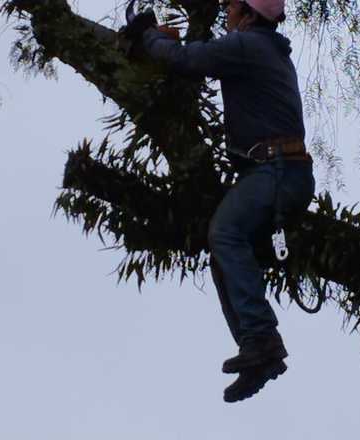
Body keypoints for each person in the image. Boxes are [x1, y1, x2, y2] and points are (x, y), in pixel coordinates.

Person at [135, 0, 316, 402]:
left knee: (226, 232)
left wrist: (147, 34)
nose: (228, 14)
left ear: (248, 14)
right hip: (278, 171)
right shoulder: (265, 49)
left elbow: (186, 59)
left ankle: (262, 338)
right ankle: (258, 355)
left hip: (276, 171)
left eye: (233, 7)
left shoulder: (248, 46)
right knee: (222, 251)